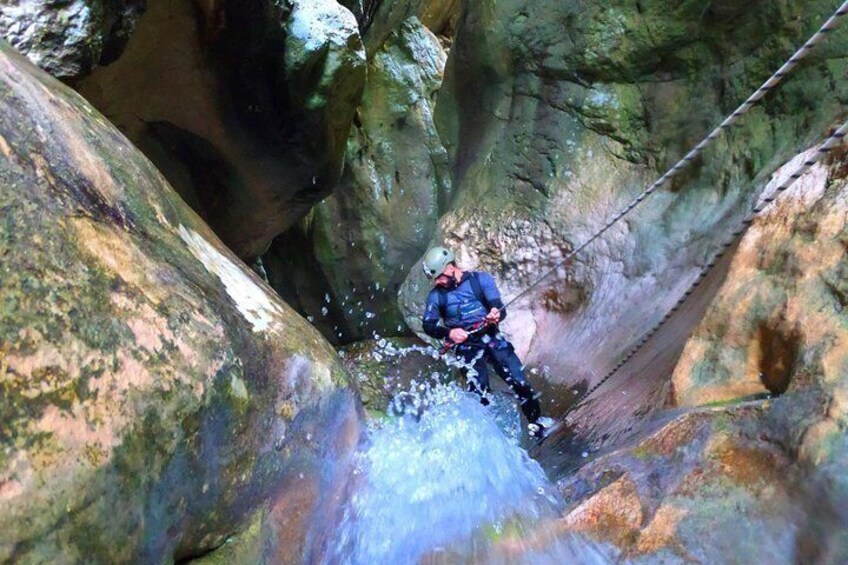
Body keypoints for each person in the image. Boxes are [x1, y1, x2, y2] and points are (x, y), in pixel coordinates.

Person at [420, 246, 553, 439]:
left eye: (439, 276)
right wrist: (449, 333)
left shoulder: (480, 280)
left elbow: (499, 308)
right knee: (478, 394)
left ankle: (536, 423)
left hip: (490, 337)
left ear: (449, 268)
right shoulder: (436, 296)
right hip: (466, 346)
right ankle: (489, 440)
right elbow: (428, 325)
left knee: (519, 381)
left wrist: (495, 315)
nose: (438, 282)